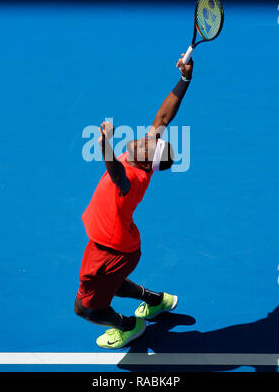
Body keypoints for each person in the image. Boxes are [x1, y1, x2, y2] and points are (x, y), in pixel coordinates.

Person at [74, 54, 194, 349]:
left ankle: (129, 326)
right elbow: (165, 117)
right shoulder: (143, 157)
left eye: (146, 143)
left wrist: (105, 146)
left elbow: (117, 176)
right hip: (114, 243)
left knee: (86, 308)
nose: (142, 139)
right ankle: (157, 301)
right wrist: (185, 78)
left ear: (146, 159)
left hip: (112, 251)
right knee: (110, 286)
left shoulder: (134, 178)